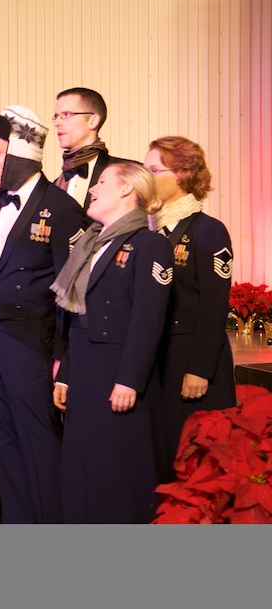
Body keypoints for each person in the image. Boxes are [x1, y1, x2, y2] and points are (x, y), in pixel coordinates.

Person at [0, 106, 88, 523]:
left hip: (33, 344)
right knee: (4, 441)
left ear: (22, 155)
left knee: (39, 443)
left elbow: (74, 292)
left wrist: (65, 359)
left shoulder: (61, 209)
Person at [51, 163, 172, 523]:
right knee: (84, 466)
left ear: (125, 190)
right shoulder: (93, 242)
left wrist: (130, 379)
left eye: (101, 182)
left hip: (117, 373)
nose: (92, 189)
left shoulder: (150, 244)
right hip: (86, 371)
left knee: (118, 470)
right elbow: (77, 316)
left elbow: (148, 320)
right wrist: (66, 373)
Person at [143, 136, 236, 484]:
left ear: (182, 174)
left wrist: (199, 369)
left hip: (193, 359)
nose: (147, 176)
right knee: (165, 453)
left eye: (154, 169)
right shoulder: (151, 231)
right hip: (161, 357)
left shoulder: (207, 232)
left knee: (197, 459)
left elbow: (214, 307)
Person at [51, 87, 134, 210]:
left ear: (92, 120)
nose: (57, 123)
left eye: (66, 115)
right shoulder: (56, 184)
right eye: (56, 116)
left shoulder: (128, 174)